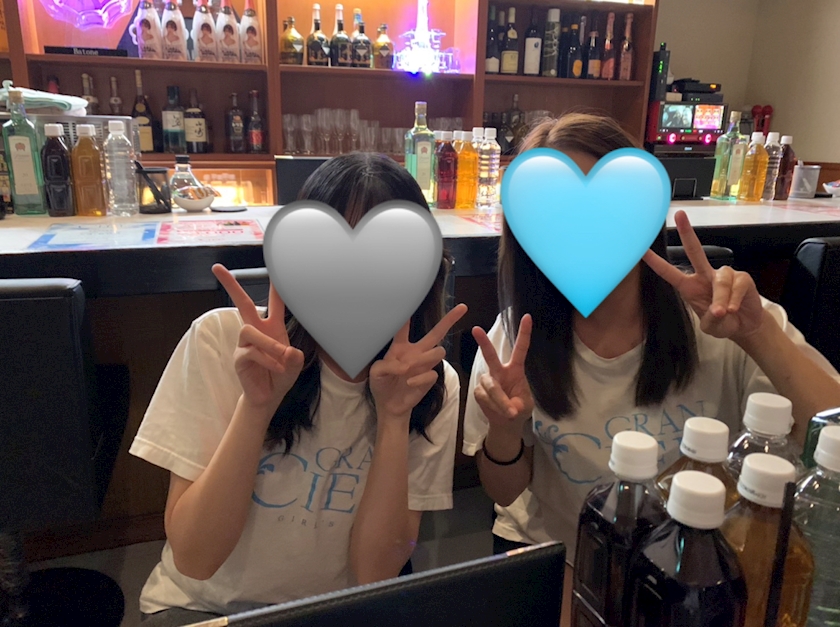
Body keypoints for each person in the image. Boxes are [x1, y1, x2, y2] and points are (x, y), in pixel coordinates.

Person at [463, 112, 840, 562]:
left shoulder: (726, 324)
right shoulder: (514, 340)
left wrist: (759, 335)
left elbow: (832, 432)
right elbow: (505, 492)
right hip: (565, 560)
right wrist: (504, 431)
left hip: (695, 568)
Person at [131, 153, 466, 626]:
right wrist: (256, 406)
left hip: (335, 613)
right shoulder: (223, 342)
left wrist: (394, 419)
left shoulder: (428, 385)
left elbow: (374, 574)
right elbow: (194, 557)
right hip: (204, 609)